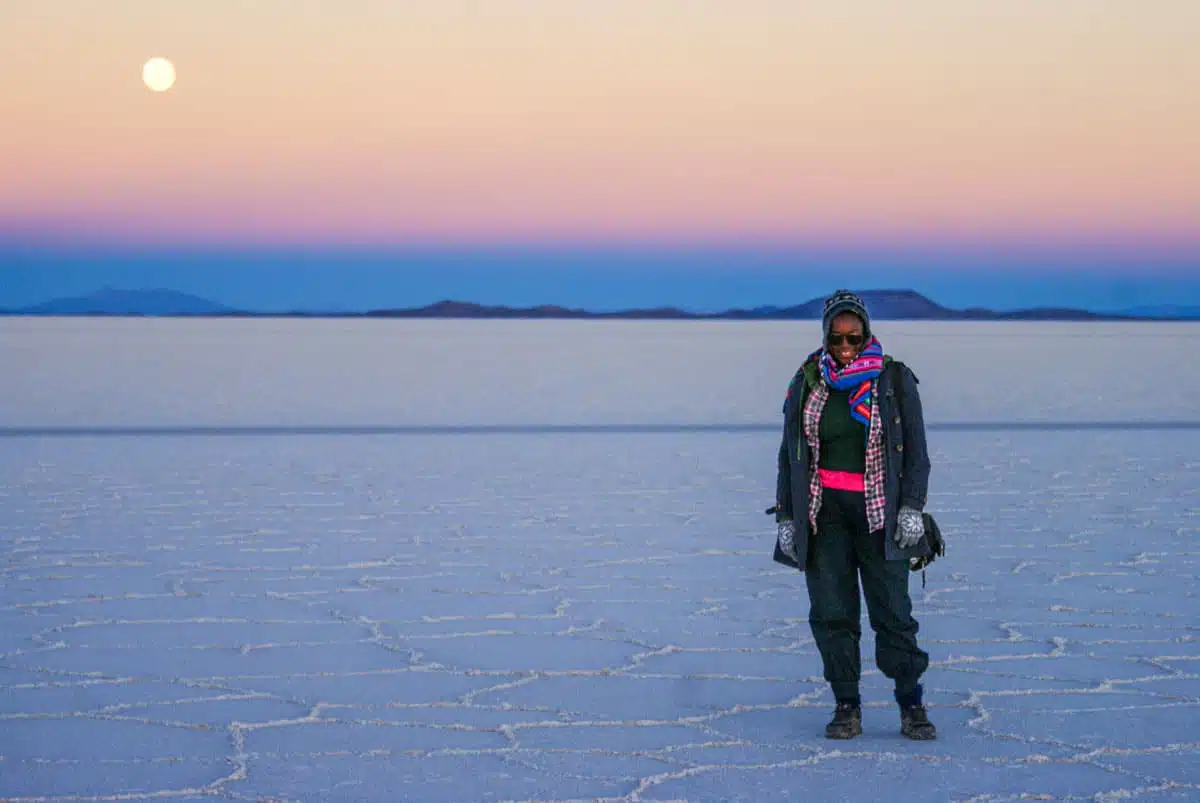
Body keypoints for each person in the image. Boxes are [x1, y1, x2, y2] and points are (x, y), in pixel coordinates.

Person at [773, 289, 936, 740]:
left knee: (893, 613)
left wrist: (912, 508)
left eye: (854, 338)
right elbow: (790, 455)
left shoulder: (893, 379)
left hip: (879, 515)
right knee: (832, 613)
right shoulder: (808, 381)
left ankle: (911, 704)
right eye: (837, 339)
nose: (845, 348)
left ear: (867, 335)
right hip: (823, 517)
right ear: (825, 337)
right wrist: (787, 515)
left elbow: (917, 454)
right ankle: (846, 705)